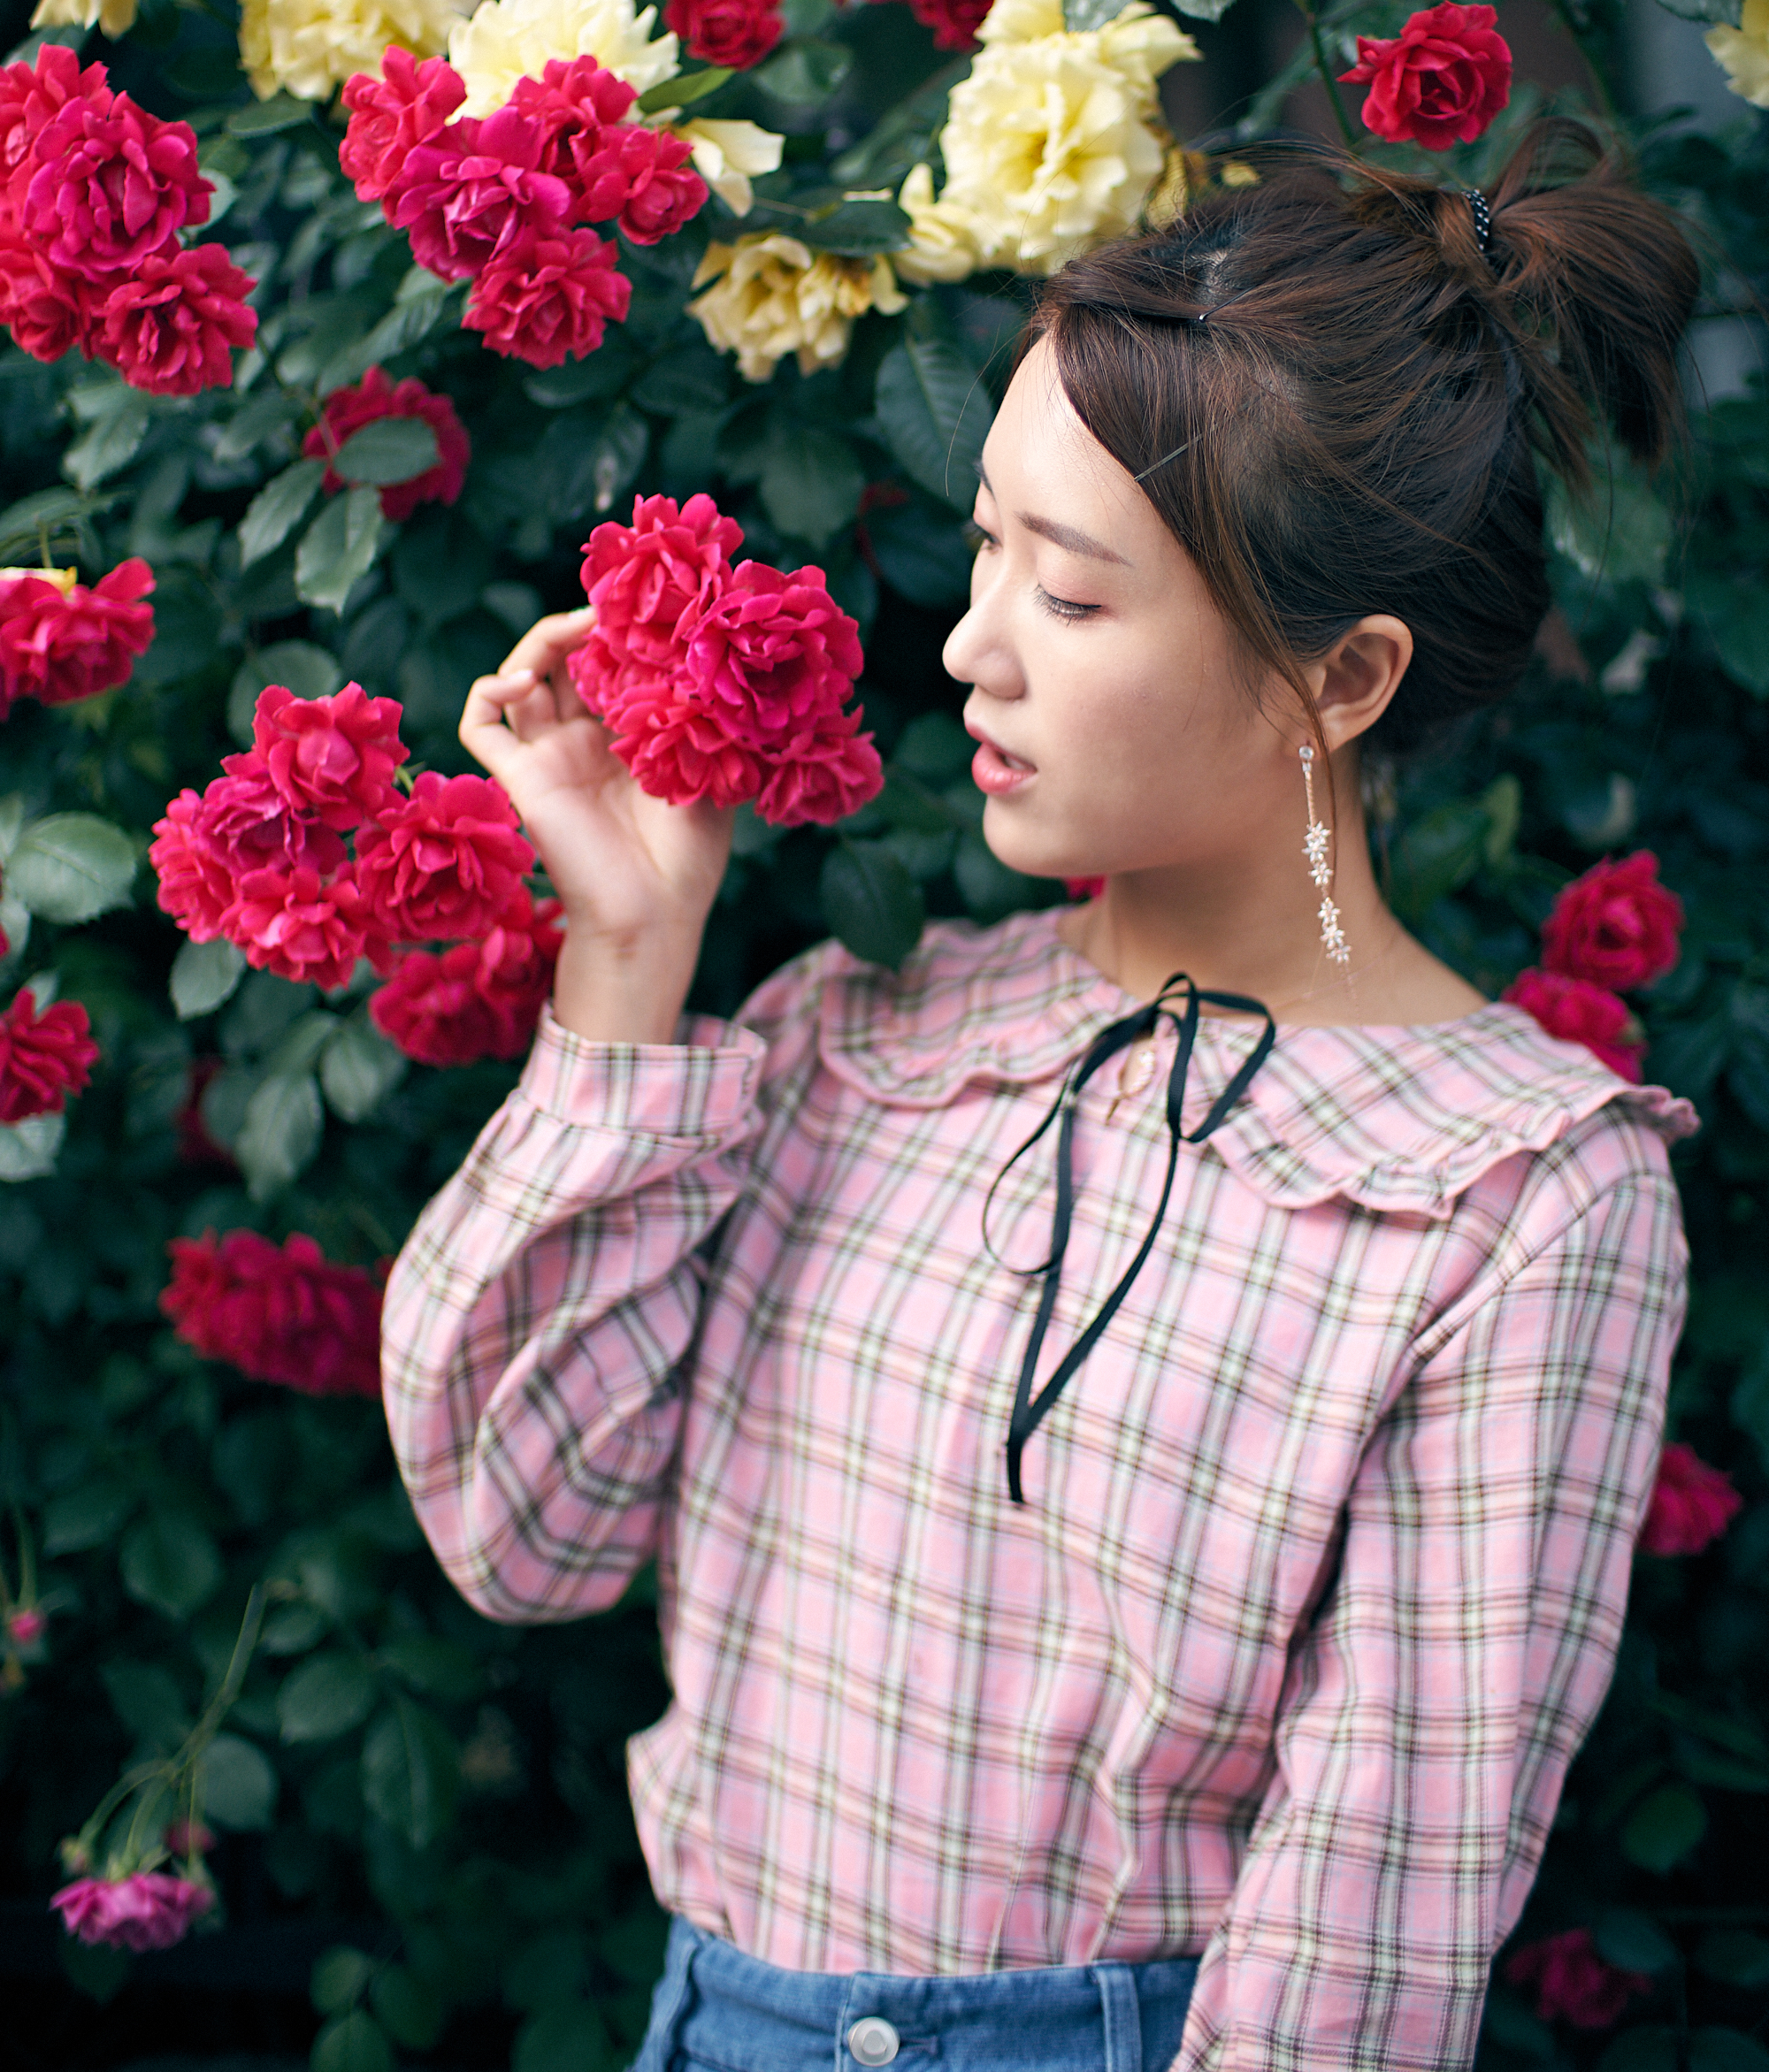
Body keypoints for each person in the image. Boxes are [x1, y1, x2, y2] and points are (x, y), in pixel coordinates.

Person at [382, 123, 1697, 2072]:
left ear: (1340, 680)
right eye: (987, 543)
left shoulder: (1510, 1200)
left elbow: (1367, 1929)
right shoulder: (866, 1038)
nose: (967, 644)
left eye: (1070, 598)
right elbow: (524, 1532)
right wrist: (629, 962)